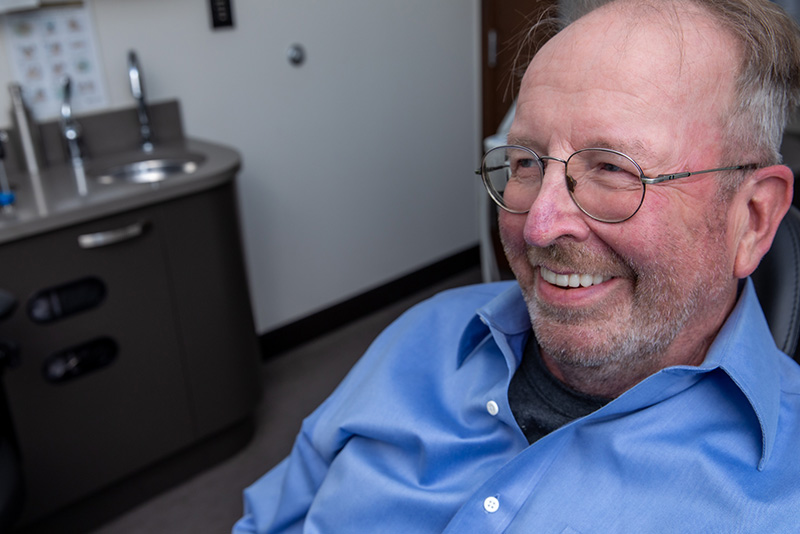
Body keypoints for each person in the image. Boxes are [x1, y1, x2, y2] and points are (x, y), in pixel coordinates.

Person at [234, 0, 800, 531]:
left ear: (751, 219)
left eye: (611, 168)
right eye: (527, 162)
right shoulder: (427, 335)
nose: (538, 226)